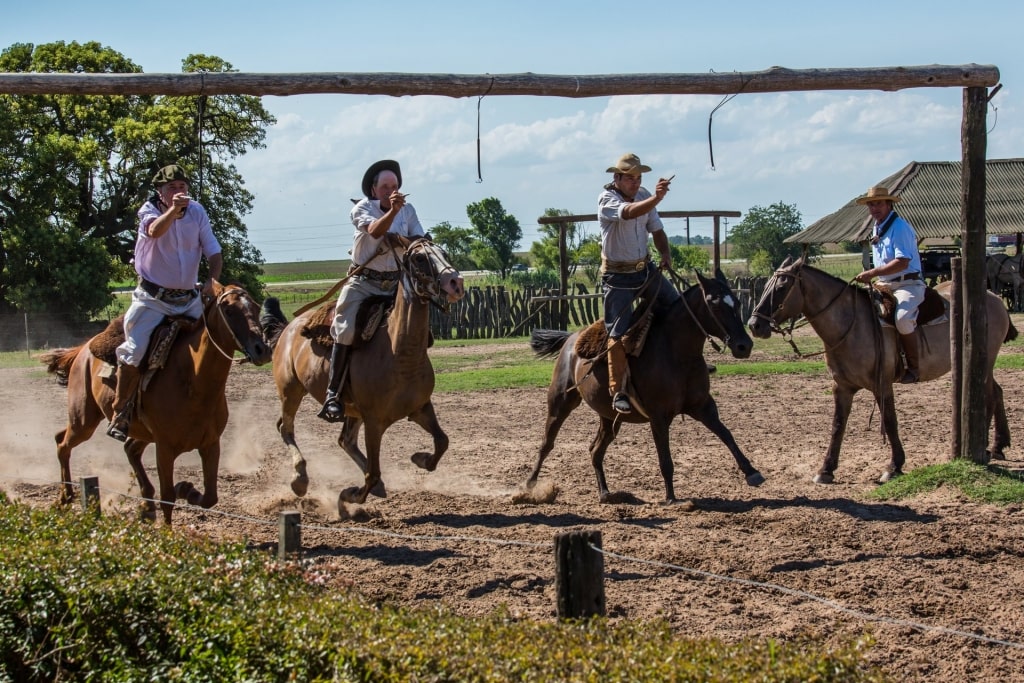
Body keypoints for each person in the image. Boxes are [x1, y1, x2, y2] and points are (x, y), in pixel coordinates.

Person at [108, 164, 223, 440]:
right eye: (172, 188)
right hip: (152, 300)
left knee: (213, 344)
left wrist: (213, 279)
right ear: (160, 193)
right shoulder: (148, 212)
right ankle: (120, 412)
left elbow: (214, 251)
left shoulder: (197, 212)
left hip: (189, 299)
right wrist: (173, 211)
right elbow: (155, 231)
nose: (179, 192)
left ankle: (209, 407)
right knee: (134, 351)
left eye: (182, 187)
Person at [319, 159, 425, 422]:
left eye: (396, 185)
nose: (392, 190)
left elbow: (421, 240)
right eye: (386, 186)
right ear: (374, 189)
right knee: (345, 329)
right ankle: (333, 394)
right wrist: (392, 216)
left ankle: (411, 388)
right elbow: (375, 230)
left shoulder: (408, 210)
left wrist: (403, 238)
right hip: (363, 283)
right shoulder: (362, 208)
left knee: (417, 326)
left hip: (395, 282)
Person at [598, 152, 680, 414]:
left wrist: (665, 253)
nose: (635, 182)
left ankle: (682, 361)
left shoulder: (644, 195)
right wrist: (657, 198)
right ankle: (618, 390)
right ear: (617, 178)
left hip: (645, 270)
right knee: (617, 334)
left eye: (638, 177)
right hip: (617, 276)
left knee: (677, 307)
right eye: (630, 178)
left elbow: (656, 229)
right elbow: (630, 213)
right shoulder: (607, 199)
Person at [853, 185, 925, 384]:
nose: (874, 208)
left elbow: (902, 262)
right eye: (871, 205)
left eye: (879, 204)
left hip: (908, 284)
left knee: (902, 319)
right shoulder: (879, 226)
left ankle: (914, 367)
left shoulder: (899, 227)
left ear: (889, 204)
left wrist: (872, 273)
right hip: (884, 284)